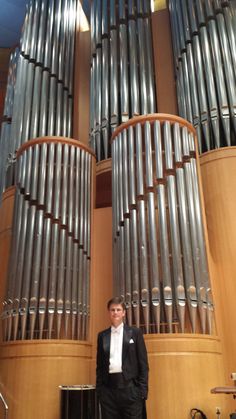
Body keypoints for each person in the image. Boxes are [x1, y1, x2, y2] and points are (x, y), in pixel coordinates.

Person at [96, 296, 149, 419]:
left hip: (131, 390)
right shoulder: (102, 336)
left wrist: (141, 392)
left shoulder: (135, 333)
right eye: (112, 310)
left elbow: (143, 364)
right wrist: (100, 391)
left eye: (118, 309)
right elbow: (99, 365)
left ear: (124, 313)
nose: (115, 312)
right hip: (108, 391)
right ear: (109, 312)